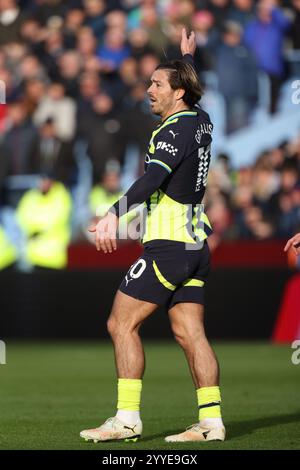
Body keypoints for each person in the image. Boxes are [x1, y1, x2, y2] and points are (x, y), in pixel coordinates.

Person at [80, 29, 225, 444]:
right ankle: (211, 423)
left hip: (168, 247)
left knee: (119, 323)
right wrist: (188, 58)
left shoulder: (170, 131)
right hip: (197, 247)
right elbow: (191, 90)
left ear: (178, 93)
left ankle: (127, 419)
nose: (149, 90)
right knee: (189, 333)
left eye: (157, 84)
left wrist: (112, 215)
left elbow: (152, 179)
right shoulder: (202, 118)